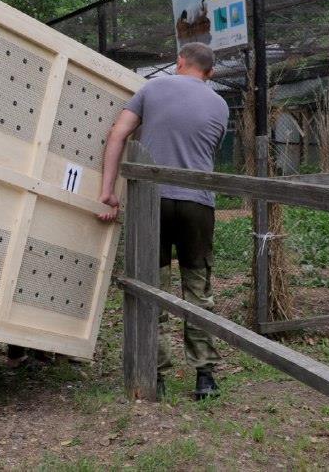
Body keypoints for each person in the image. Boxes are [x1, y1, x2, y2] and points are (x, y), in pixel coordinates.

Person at [97, 42, 229, 400]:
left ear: (180, 62)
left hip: (151, 201)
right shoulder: (220, 104)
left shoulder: (152, 89)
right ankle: (205, 376)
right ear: (210, 73)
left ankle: (154, 375)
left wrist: (109, 190)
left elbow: (117, 135)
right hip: (197, 205)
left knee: (152, 285)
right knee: (197, 288)